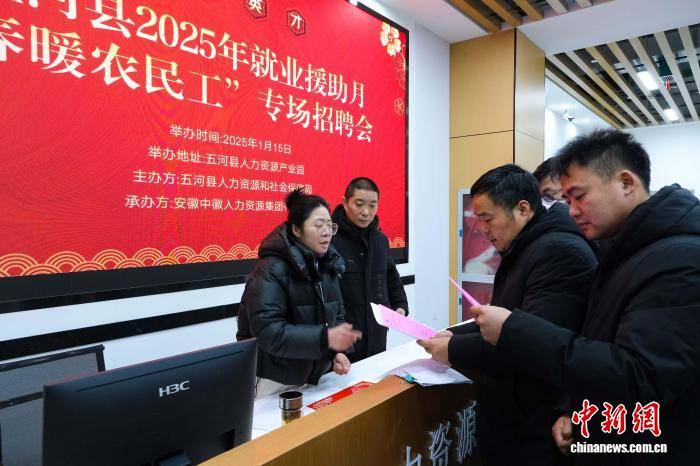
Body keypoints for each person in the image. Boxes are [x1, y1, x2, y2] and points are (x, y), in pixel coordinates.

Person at [474, 130, 700, 465]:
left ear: (626, 183)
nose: (572, 211)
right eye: (566, 200)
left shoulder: (680, 260)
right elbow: (594, 337)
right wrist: (574, 409)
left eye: (579, 196)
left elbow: (639, 377)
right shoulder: (619, 252)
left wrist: (513, 329)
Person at [418, 164, 597, 466]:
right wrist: (453, 334)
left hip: (536, 423)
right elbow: (510, 318)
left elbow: (529, 343)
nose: (482, 229)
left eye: (488, 218)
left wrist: (453, 348)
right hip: (515, 417)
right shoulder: (526, 247)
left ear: (523, 209)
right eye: (478, 220)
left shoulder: (558, 253)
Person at [237, 189, 362, 398]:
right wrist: (325, 338)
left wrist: (337, 352)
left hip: (315, 376)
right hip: (274, 379)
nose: (326, 232)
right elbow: (270, 334)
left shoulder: (328, 264)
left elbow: (337, 314)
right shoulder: (270, 270)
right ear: (296, 229)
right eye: (318, 226)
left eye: (330, 225)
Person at [331, 177, 409, 362]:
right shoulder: (331, 240)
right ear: (345, 202)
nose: (366, 212)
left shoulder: (380, 240)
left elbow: (391, 277)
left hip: (377, 332)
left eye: (372, 205)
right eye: (359, 204)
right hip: (345, 337)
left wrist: (400, 306)